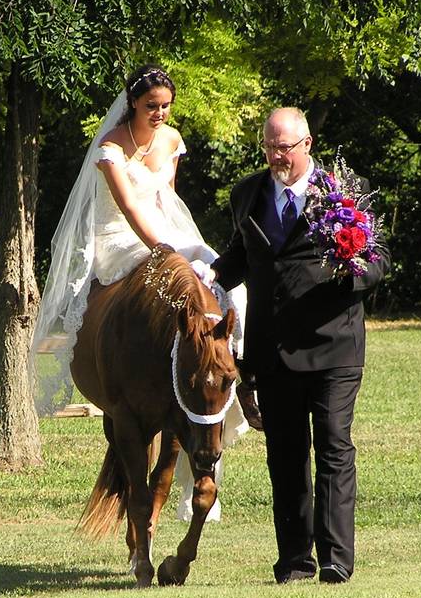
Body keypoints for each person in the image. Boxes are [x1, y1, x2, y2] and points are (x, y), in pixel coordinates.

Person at [30, 65, 255, 521]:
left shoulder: (171, 141)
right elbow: (131, 207)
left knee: (235, 288)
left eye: (166, 106)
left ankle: (237, 376)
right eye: (151, 105)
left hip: (168, 230)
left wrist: (185, 250)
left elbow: (166, 199)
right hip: (120, 239)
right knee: (170, 279)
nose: (159, 113)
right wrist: (166, 255)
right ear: (133, 102)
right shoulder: (111, 147)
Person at [210, 107, 390, 584]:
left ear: (307, 144)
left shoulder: (344, 192)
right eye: (268, 147)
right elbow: (239, 256)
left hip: (334, 347)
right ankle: (294, 561)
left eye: (284, 148)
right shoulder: (247, 194)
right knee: (286, 458)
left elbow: (379, 260)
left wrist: (356, 274)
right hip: (273, 352)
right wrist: (207, 281)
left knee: (334, 449)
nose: (275, 156)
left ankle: (335, 560)